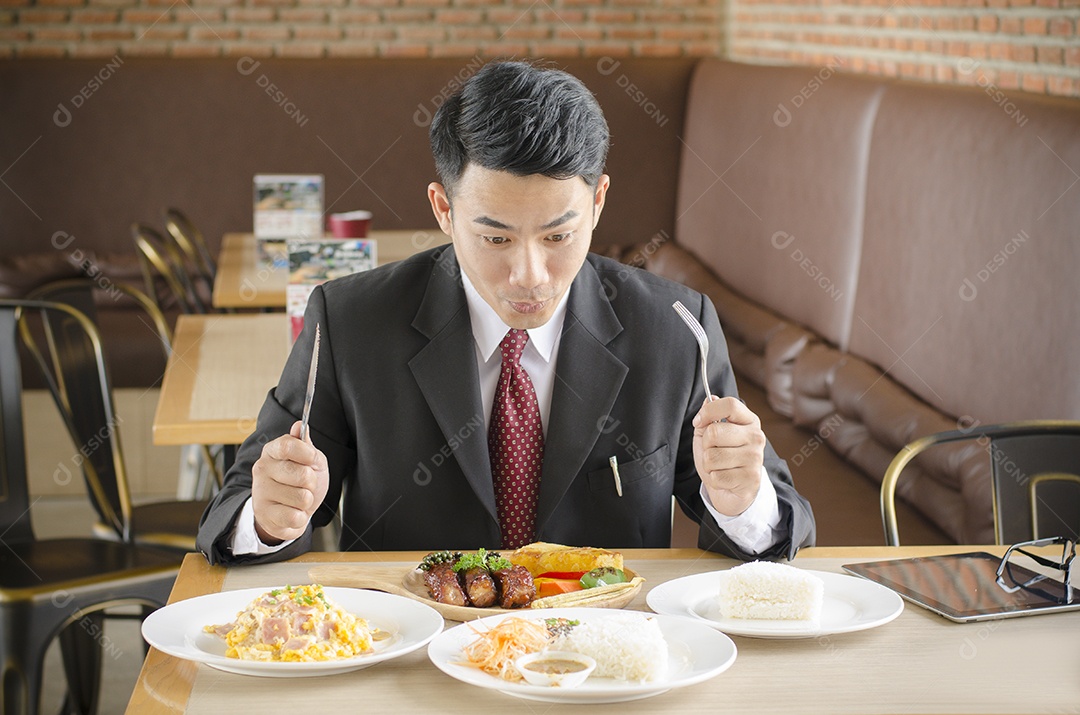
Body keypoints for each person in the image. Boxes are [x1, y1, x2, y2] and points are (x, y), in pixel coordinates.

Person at [196, 60, 815, 565]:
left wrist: (741, 498)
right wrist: (270, 516)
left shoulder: (676, 328)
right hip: (414, 659)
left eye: (557, 236)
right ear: (443, 209)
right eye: (495, 239)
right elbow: (233, 511)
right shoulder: (349, 321)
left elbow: (783, 527)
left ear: (597, 203)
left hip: (604, 662)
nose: (530, 276)